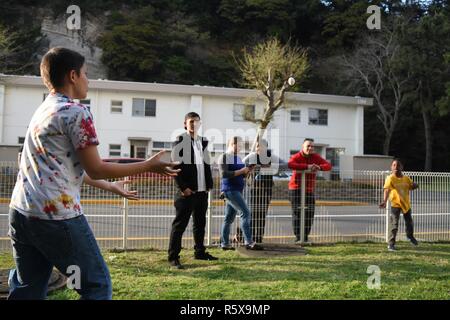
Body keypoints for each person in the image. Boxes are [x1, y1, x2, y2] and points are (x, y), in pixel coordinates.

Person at [7, 47, 180, 300]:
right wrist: (148, 165)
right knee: (96, 286)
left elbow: (60, 169)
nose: (89, 80)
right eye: (87, 73)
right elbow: (96, 167)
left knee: (28, 288)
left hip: (21, 213)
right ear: (73, 75)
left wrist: (110, 187)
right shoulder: (77, 112)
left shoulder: (43, 110)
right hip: (57, 218)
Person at [168, 112, 217, 269]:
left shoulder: (203, 143)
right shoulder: (179, 142)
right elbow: (173, 167)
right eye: (191, 122)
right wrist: (183, 188)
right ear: (185, 124)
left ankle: (200, 252)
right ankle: (173, 257)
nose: (194, 124)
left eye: (196, 121)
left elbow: (206, 166)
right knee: (179, 225)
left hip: (202, 192)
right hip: (187, 192)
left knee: (200, 223)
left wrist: (209, 184)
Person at [219, 136, 263, 251]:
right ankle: (249, 242)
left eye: (240, 146)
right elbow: (224, 174)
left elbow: (241, 175)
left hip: (237, 190)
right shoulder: (225, 156)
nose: (239, 147)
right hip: (230, 190)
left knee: (228, 219)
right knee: (245, 213)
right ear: (230, 144)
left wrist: (248, 171)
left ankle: (225, 244)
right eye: (237, 145)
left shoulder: (237, 158)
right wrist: (242, 171)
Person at [288, 138, 331, 243]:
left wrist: (319, 167)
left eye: (312, 146)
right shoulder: (297, 156)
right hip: (296, 189)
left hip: (309, 190)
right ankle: (298, 238)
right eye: (308, 146)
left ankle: (305, 237)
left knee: (309, 213)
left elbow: (328, 166)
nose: (310, 148)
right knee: (297, 213)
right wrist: (307, 167)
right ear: (303, 147)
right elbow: (290, 164)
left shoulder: (316, 157)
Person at [242, 138, 279, 243]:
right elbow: (242, 163)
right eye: (257, 146)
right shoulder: (252, 156)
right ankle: (250, 238)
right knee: (251, 214)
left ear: (266, 147)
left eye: (262, 146)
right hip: (252, 190)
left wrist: (260, 168)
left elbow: (275, 170)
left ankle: (259, 238)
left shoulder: (271, 157)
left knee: (262, 215)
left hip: (266, 190)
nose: (259, 148)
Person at [379, 159, 419, 251]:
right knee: (394, 224)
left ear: (402, 167)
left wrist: (415, 185)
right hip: (395, 204)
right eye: (394, 165)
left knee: (409, 223)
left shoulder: (406, 178)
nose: (396, 167)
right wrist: (384, 201)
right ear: (391, 167)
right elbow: (387, 190)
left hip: (406, 204)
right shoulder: (390, 178)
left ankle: (410, 237)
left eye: (398, 165)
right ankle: (391, 244)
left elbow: (411, 186)